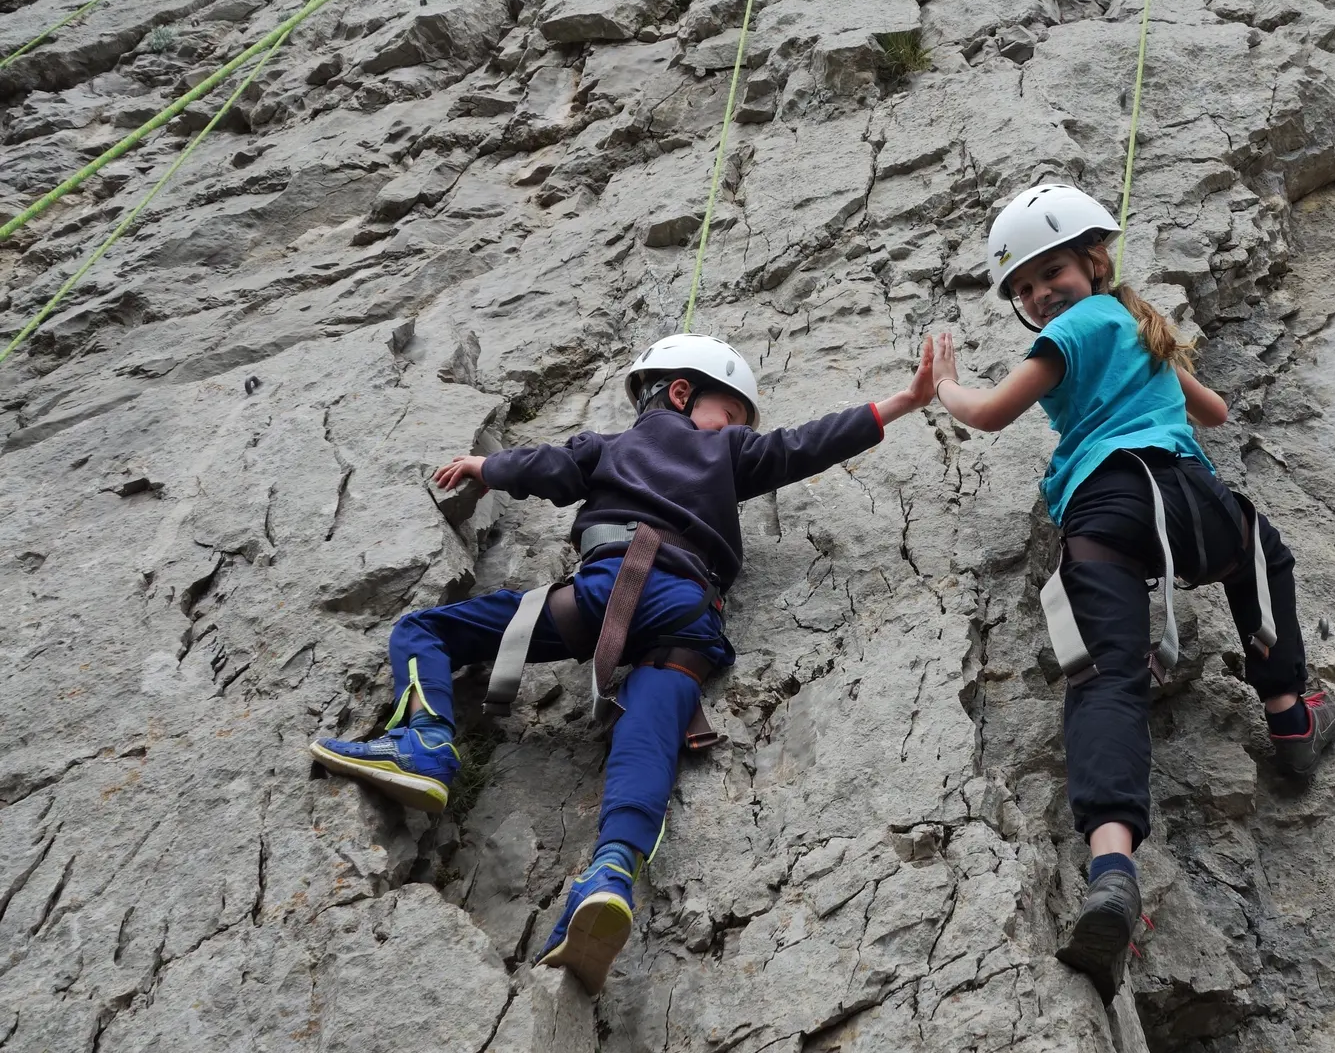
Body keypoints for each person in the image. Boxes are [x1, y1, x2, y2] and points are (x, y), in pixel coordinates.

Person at [309, 332, 935, 993]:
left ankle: (426, 741)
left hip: (603, 593)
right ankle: (610, 873)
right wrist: (900, 401)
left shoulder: (610, 447)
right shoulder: (730, 451)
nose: (740, 427)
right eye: (733, 413)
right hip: (689, 619)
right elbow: (804, 445)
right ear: (684, 392)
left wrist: (481, 467)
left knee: (425, 632)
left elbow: (545, 468)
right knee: (650, 740)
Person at [929, 183, 1335, 1000]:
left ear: (1093, 261)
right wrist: (1163, 370)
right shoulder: (1138, 328)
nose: (1040, 293)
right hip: (1193, 499)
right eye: (1026, 288)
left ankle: (1112, 869)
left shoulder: (1073, 329)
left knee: (1107, 678)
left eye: (1051, 272)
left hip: (1111, 508)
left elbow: (988, 413)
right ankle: (1292, 715)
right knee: (1258, 554)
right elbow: (1215, 412)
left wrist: (941, 383)